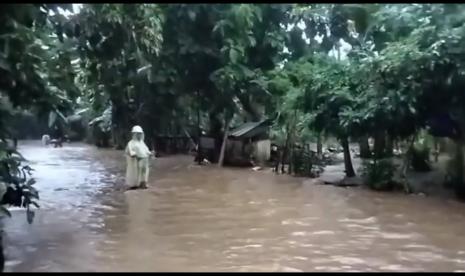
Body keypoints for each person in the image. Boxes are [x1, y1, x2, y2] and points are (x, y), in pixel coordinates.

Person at [125, 125, 153, 190]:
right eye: (137, 134)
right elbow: (129, 151)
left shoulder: (142, 143)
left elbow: (146, 150)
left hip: (144, 160)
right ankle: (134, 184)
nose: (139, 135)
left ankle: (143, 183)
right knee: (135, 172)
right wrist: (134, 155)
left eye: (140, 134)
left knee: (144, 172)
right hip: (136, 160)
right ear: (134, 134)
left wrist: (150, 153)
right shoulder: (131, 143)